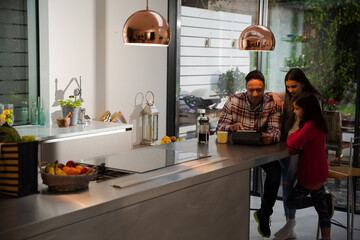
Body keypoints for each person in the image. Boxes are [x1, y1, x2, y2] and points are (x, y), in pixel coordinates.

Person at [216, 70, 281, 238]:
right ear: (245, 87)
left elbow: (276, 131)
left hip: (260, 150)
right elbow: (219, 128)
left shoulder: (271, 103)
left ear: (264, 87)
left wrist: (270, 138)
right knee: (226, 175)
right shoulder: (234, 100)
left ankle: (264, 214)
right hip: (235, 151)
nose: (255, 93)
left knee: (275, 173)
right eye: (251, 89)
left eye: (259, 89)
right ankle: (226, 215)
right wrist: (232, 127)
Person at [268, 68, 323, 239]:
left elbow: (311, 127)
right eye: (288, 87)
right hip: (290, 146)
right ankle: (290, 224)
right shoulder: (288, 95)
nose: (290, 90)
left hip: (303, 148)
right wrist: (277, 96)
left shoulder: (312, 100)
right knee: (287, 184)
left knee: (296, 185)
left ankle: (292, 223)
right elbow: (271, 93)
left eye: (294, 86)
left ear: (303, 84)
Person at [285, 92, 332, 240]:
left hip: (310, 175)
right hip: (320, 173)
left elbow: (292, 141)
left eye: (297, 108)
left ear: (307, 110)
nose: (294, 111)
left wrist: (293, 135)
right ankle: (326, 237)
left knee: (291, 202)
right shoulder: (317, 123)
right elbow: (297, 138)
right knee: (323, 211)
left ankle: (324, 200)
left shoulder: (310, 126)